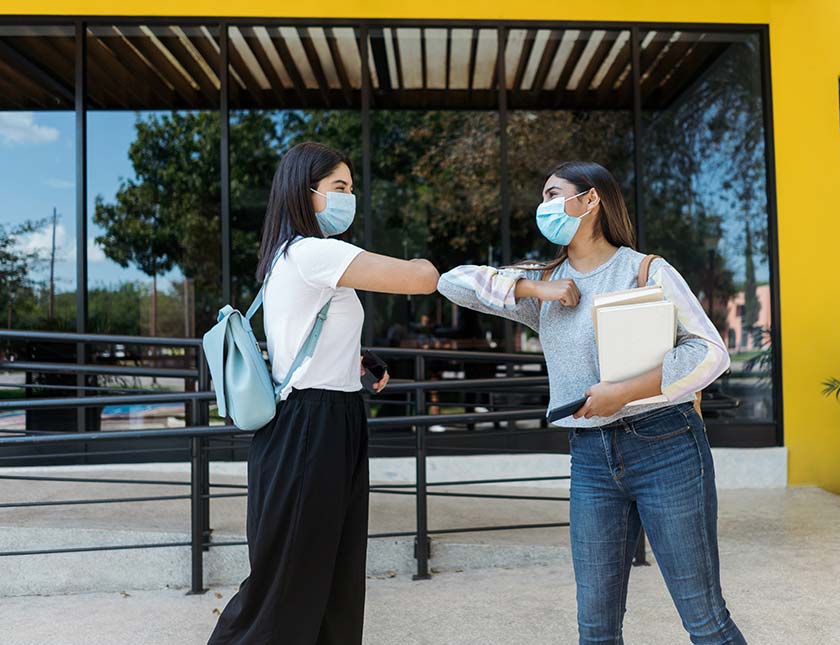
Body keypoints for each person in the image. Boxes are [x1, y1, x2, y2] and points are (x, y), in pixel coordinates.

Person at [437, 161, 745, 644]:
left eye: (554, 194)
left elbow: (710, 352)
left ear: (591, 199)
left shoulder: (645, 270)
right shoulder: (544, 285)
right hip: (590, 460)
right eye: (542, 197)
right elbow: (451, 281)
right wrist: (536, 286)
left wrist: (623, 392)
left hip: (666, 444)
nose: (545, 207)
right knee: (596, 629)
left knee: (704, 619)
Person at [209, 142, 439, 645]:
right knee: (286, 585)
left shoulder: (294, 258)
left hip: (333, 419)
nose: (347, 198)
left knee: (333, 579)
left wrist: (360, 359)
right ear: (304, 191)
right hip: (309, 426)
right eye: (339, 188)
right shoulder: (313, 252)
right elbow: (419, 279)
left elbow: (307, 334)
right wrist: (430, 266)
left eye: (351, 189)